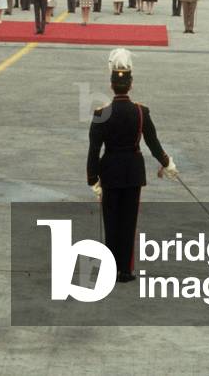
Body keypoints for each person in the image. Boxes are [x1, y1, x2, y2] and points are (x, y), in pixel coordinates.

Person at [87, 48, 177, 281]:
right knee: (128, 222)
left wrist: (92, 179)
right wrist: (167, 163)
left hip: (110, 171)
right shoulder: (140, 111)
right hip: (132, 172)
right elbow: (153, 143)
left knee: (111, 222)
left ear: (111, 85)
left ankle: (110, 268)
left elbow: (94, 150)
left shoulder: (101, 113)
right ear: (131, 84)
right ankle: (125, 270)